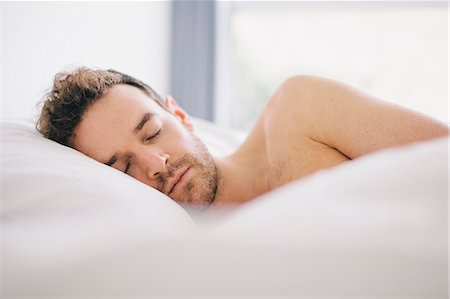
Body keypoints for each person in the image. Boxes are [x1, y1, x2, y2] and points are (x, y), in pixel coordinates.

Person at [37, 67, 449, 209]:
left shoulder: (299, 110)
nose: (157, 165)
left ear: (180, 115)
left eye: (153, 132)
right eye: (124, 169)